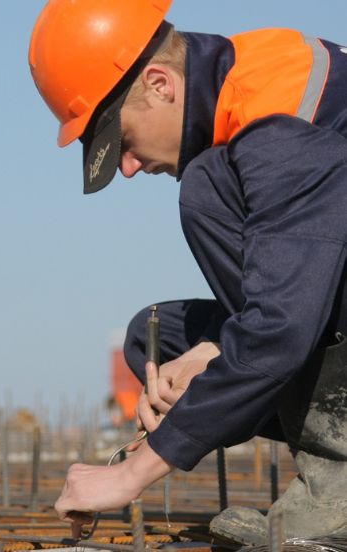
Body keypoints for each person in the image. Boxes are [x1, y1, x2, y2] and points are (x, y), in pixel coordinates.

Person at [28, 0, 347, 544]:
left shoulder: (280, 125)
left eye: (121, 142)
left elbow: (281, 329)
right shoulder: (245, 76)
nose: (127, 168)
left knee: (207, 189)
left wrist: (134, 473)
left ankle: (337, 483)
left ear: (160, 83)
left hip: (301, 320)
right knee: (155, 340)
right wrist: (215, 348)